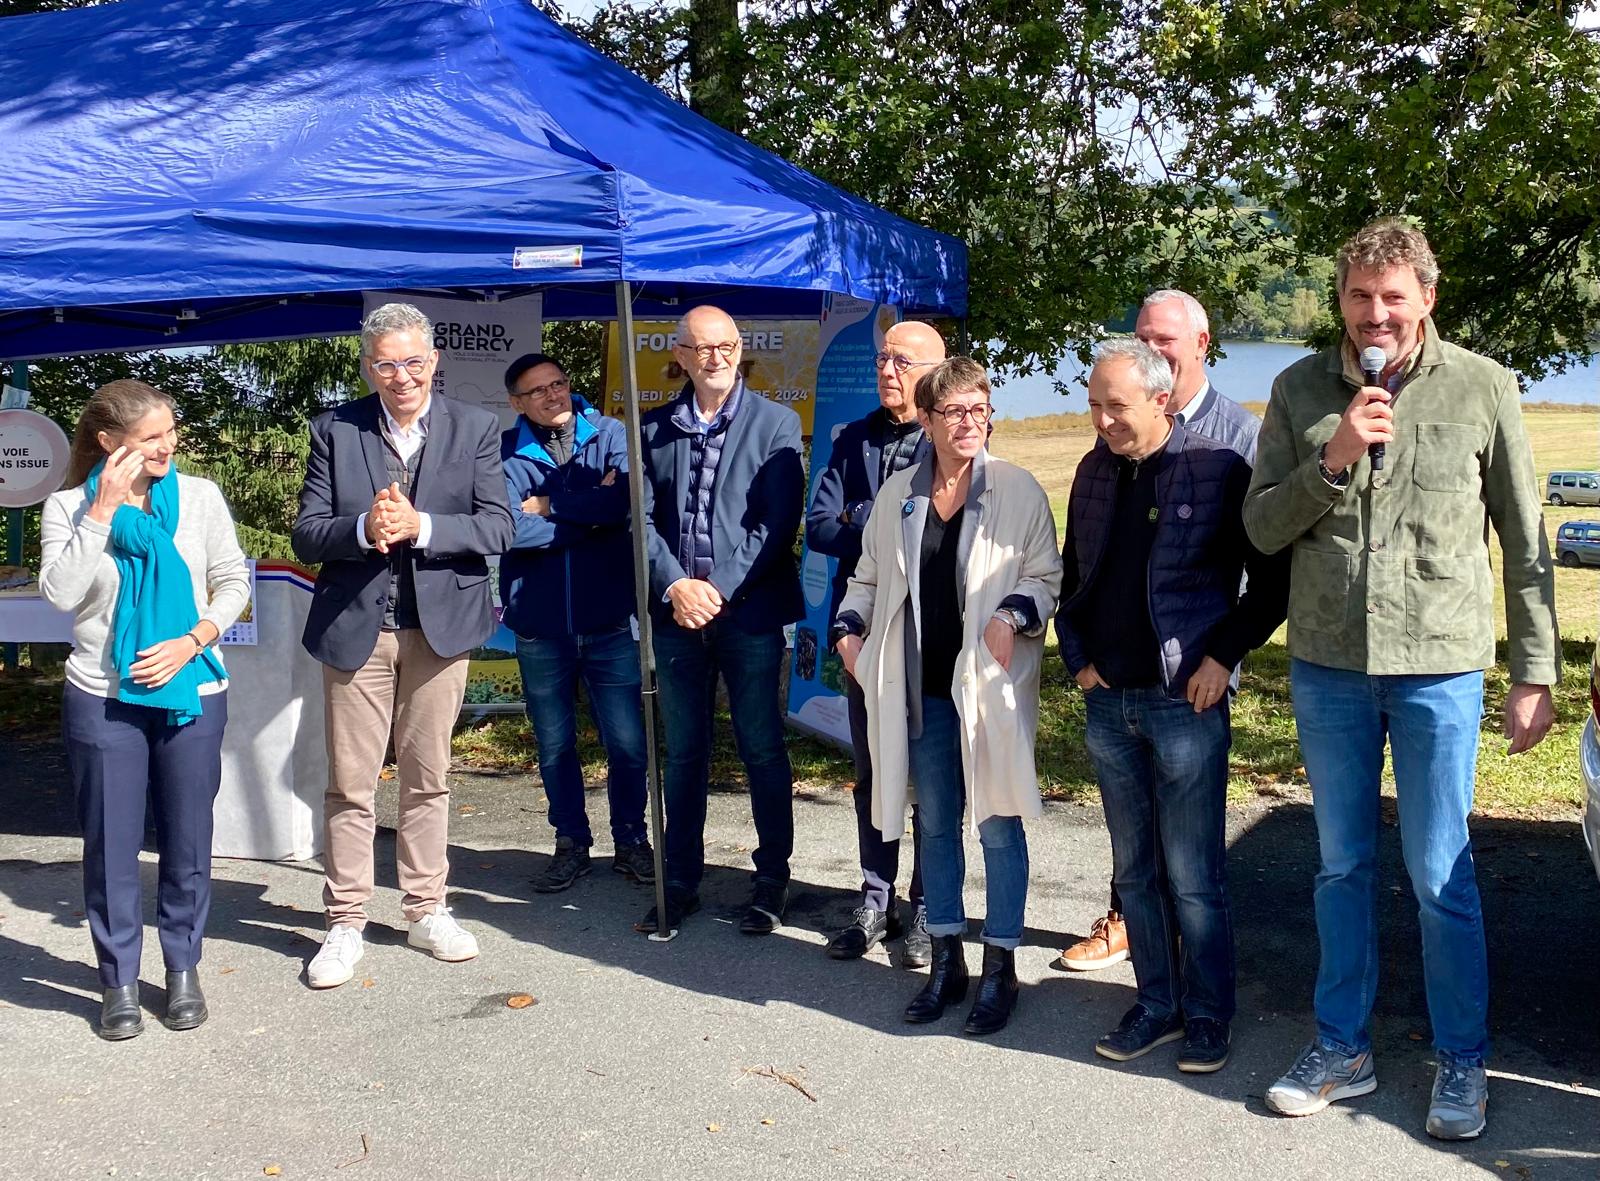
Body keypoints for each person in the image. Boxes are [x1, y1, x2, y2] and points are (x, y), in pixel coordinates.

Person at [1245, 219, 1559, 1140]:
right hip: (1330, 665)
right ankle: (1343, 1047)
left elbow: (1526, 540)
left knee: (1439, 872)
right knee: (1340, 866)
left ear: (1427, 295)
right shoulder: (1299, 388)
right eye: (1358, 295)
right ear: (1340, 299)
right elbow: (1261, 527)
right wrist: (1332, 458)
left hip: (1439, 668)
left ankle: (1462, 1057)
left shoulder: (1483, 386)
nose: (1374, 313)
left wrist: (1535, 671)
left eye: (1392, 296)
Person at [1056, 340, 1288, 1072]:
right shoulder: (1094, 470)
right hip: (1108, 702)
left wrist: (1222, 657)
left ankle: (1208, 1014)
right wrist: (1077, 657)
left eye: (1116, 407)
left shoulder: (1218, 468)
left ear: (1161, 400)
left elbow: (1271, 585)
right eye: (1094, 405)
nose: (1102, 420)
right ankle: (1156, 1003)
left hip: (1182, 703)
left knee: (1193, 875)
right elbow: (1074, 573)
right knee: (1134, 873)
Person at [833, 357, 1062, 1036]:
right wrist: (848, 632)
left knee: (997, 824)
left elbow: (1047, 577)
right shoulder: (898, 494)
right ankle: (946, 960)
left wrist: (1012, 613)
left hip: (988, 690)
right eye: (954, 411)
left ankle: (1001, 966)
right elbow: (867, 578)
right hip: (921, 692)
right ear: (927, 420)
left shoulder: (1017, 490)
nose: (969, 422)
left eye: (979, 409)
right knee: (935, 824)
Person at [292, 302, 514, 988]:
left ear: (434, 362)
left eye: (414, 362)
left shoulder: (475, 427)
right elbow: (307, 533)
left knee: (428, 776)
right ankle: (345, 921)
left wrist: (422, 527)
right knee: (350, 784)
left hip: (440, 631)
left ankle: (426, 909)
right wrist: (365, 528)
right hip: (357, 630)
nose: (402, 376)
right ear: (369, 367)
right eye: (387, 364)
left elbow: (499, 526)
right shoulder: (335, 428)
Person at [40, 379, 250, 1039]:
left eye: (171, 432)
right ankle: (119, 980)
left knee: (188, 839)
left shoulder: (199, 498)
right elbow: (60, 594)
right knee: (110, 844)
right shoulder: (68, 506)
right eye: (151, 437)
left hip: (191, 692)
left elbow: (232, 581)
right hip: (102, 696)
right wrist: (100, 513)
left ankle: (183, 968)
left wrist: (192, 641)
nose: (168, 446)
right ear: (109, 442)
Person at [634, 305, 805, 936]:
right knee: (683, 753)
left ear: (740, 350)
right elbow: (638, 521)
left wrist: (717, 589)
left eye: (727, 346)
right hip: (676, 614)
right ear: (680, 355)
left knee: (761, 747)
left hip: (749, 615)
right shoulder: (651, 430)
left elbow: (776, 524)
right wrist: (677, 586)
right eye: (703, 348)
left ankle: (771, 881)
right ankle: (679, 880)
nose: (716, 358)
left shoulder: (777, 423)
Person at [804, 320, 943, 966]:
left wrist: (863, 518)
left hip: (929, 636)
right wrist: (884, 523)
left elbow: (940, 532)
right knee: (872, 773)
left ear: (935, 370)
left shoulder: (949, 438)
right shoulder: (853, 437)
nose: (888, 370)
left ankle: (928, 904)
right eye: (883, 358)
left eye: (903, 361)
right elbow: (818, 527)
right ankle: (875, 897)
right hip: (861, 635)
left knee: (929, 777)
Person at [499, 351, 653, 892]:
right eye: (538, 390)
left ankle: (631, 840)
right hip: (540, 626)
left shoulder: (611, 434)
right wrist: (586, 512)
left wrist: (548, 505)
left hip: (607, 621)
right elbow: (507, 530)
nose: (553, 395)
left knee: (628, 743)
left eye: (558, 383)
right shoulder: (504, 452)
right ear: (517, 402)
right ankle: (571, 842)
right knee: (554, 745)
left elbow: (623, 507)